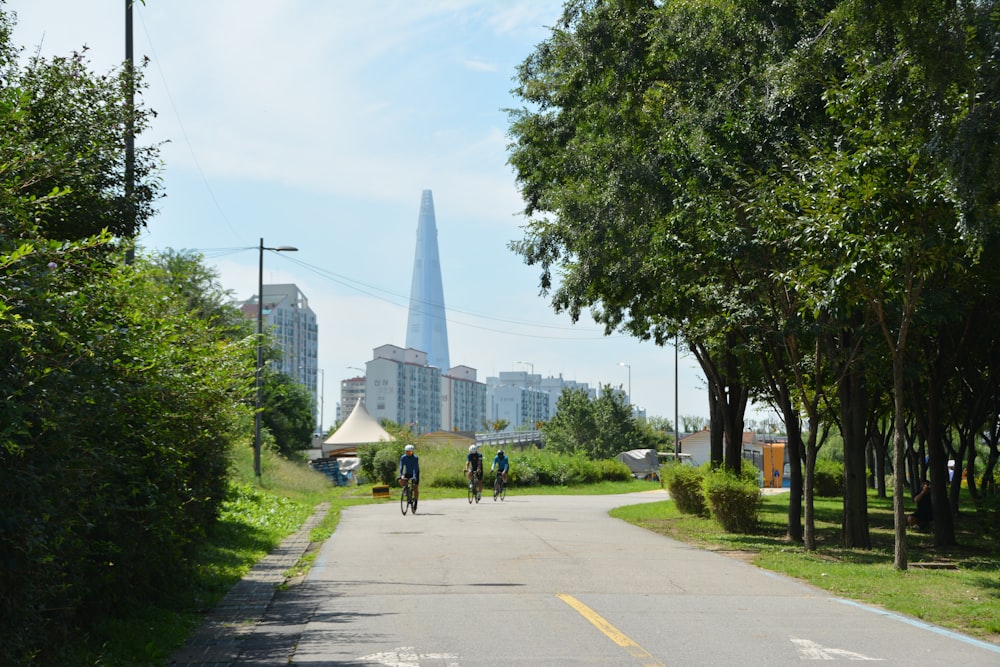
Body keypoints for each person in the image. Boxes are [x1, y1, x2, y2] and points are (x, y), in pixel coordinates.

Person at [399, 444, 419, 509]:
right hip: (407, 472)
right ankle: (405, 490)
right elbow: (401, 467)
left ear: (412, 452)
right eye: (407, 452)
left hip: (415, 472)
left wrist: (415, 476)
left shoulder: (415, 458)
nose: (408, 453)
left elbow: (415, 468)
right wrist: (401, 474)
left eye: (410, 452)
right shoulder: (403, 457)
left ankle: (415, 500)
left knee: (415, 487)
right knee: (401, 480)